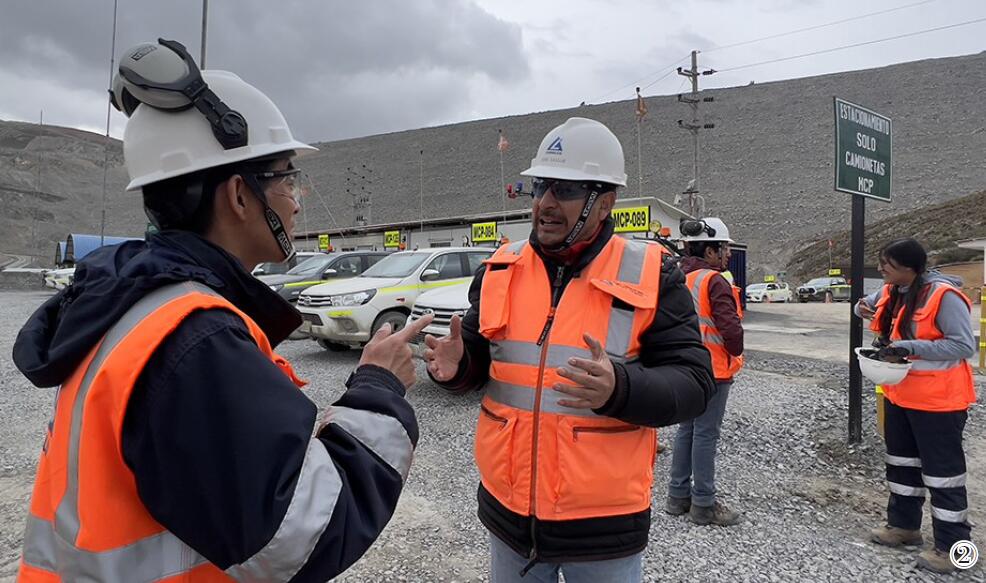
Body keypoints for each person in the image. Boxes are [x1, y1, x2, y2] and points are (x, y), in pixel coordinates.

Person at [13, 39, 432, 582]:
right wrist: (378, 388)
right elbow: (305, 537)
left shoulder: (135, 308)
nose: (297, 198)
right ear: (239, 195)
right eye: (286, 176)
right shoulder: (192, 339)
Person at [424, 117, 714, 582]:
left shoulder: (653, 274)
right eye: (541, 188)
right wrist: (460, 365)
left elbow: (695, 382)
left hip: (602, 530)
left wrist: (620, 388)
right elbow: (488, 360)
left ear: (606, 203)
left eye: (566, 190)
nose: (547, 204)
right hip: (509, 518)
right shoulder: (501, 268)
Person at [857, 238, 976, 574]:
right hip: (901, 395)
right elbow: (864, 304)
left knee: (944, 476)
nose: (881, 269)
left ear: (909, 267)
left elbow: (962, 345)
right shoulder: (893, 289)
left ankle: (954, 549)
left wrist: (908, 345)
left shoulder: (943, 296)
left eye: (886, 264)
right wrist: (861, 308)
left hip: (938, 402)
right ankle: (904, 526)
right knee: (902, 466)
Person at [666, 217, 744, 526]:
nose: (727, 255)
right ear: (710, 251)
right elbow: (730, 330)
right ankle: (703, 504)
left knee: (687, 430)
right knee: (706, 434)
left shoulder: (677, 276)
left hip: (686, 367)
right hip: (713, 370)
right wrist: (735, 351)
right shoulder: (715, 280)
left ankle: (677, 496)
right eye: (724, 249)